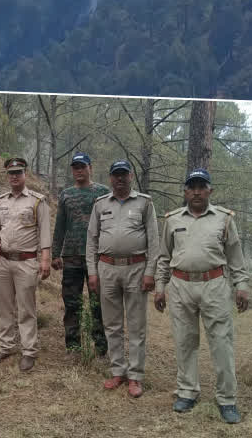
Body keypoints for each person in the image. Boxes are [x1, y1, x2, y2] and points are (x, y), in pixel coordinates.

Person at [154, 169, 250, 424]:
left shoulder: (224, 218)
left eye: (201, 186)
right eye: (192, 187)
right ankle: (187, 391)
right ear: (185, 192)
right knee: (185, 341)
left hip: (215, 285)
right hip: (180, 286)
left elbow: (235, 256)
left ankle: (227, 399)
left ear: (210, 190)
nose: (196, 191)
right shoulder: (172, 219)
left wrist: (241, 285)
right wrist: (160, 286)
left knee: (222, 343)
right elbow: (164, 256)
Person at [87, 160, 159, 398]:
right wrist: (92, 272)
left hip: (136, 268)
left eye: (123, 174)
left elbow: (154, 241)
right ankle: (118, 371)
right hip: (106, 269)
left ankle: (136, 376)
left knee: (137, 325)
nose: (119, 179)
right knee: (112, 324)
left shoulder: (144, 203)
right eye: (115, 175)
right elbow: (92, 241)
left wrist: (151, 272)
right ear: (110, 178)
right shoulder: (100, 205)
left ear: (131, 176)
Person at [0, 157, 52, 372]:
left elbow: (45, 232)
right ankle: (6, 346)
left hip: (26, 262)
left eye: (18, 172)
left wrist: (45, 260)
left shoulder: (37, 201)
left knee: (26, 308)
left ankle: (28, 350)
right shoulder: (0, 202)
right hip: (3, 262)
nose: (14, 176)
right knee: (4, 306)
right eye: (11, 173)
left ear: (25, 174)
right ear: (7, 175)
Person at [51, 152, 110, 360]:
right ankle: (73, 348)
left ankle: (101, 349)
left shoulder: (103, 193)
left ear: (90, 168)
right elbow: (60, 226)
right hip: (72, 257)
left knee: (99, 303)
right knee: (72, 303)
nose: (79, 171)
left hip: (97, 258)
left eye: (82, 166)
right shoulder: (66, 195)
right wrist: (55, 253)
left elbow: (109, 225)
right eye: (75, 167)